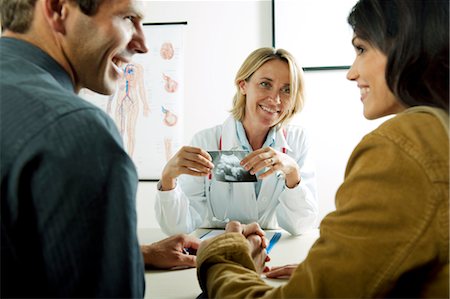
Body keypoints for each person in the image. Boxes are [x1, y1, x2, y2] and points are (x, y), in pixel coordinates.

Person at [195, 0, 449, 297]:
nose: (351, 73)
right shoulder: (438, 133)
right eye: (265, 84)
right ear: (243, 86)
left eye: (361, 49)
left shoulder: (402, 147)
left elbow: (302, 231)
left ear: (404, 47)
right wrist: (320, 269)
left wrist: (223, 257)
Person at [0, 0, 199, 297]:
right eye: (128, 18)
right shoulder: (79, 131)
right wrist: (226, 267)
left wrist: (135, 252)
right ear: (57, 9)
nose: (143, 44)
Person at [155, 47, 319, 236]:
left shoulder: (297, 141)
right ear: (243, 85)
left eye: (287, 90)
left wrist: (292, 173)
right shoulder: (206, 141)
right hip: (219, 248)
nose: (275, 99)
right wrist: (168, 179)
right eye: (265, 84)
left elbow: (301, 226)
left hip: (273, 250)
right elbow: (177, 228)